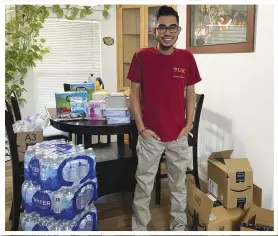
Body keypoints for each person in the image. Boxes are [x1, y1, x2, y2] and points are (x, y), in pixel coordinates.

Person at [127, 5, 202, 231]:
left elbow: (191, 93)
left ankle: (178, 228)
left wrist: (188, 124)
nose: (167, 32)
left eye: (172, 27)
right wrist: (141, 127)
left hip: (178, 135)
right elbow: (134, 93)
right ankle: (139, 229)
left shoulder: (187, 58)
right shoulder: (142, 56)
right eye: (162, 27)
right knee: (143, 187)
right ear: (155, 30)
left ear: (178, 30)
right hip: (150, 136)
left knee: (179, 187)